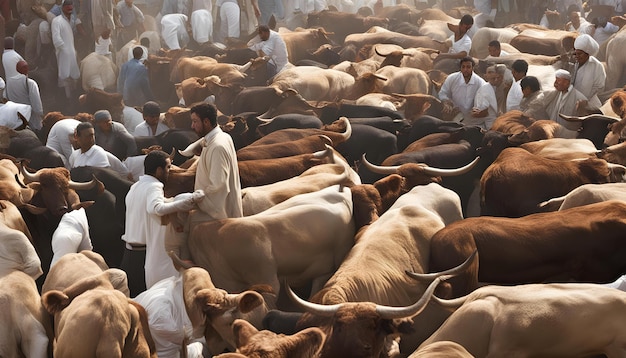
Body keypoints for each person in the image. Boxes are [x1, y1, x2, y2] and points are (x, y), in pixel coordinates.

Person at [121, 150, 204, 296]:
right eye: (168, 167)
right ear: (159, 171)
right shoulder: (154, 186)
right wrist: (189, 201)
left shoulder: (135, 187)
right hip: (143, 256)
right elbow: (156, 208)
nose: (170, 171)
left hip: (128, 255)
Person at [438, 56, 487, 123]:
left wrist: (477, 111)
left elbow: (484, 100)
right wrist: (446, 102)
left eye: (468, 67)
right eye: (463, 67)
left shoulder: (480, 82)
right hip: (454, 115)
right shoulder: (452, 78)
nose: (465, 69)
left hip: (472, 118)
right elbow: (443, 93)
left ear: (473, 68)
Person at [51, 0, 81, 106]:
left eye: (71, 6)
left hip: (72, 52)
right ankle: (65, 100)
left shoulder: (72, 19)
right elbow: (56, 38)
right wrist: (65, 50)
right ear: (62, 8)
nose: (69, 8)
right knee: (64, 77)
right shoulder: (57, 21)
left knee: (74, 76)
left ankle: (73, 99)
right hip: (63, 53)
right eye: (67, 6)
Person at [543, 69, 588, 136]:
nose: (555, 83)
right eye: (555, 80)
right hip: (556, 132)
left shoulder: (580, 98)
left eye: (558, 80)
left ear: (566, 82)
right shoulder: (558, 93)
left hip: (570, 135)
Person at [4, 60, 44, 130]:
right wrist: (40, 114)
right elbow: (36, 103)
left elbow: (5, 97)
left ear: (16, 69)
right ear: (28, 69)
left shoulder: (9, 82)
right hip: (30, 120)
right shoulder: (30, 83)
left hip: (15, 119)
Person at [572, 34, 605, 108]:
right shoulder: (572, 64)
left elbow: (599, 86)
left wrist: (585, 100)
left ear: (587, 54)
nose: (577, 56)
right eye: (575, 53)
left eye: (580, 54)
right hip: (571, 101)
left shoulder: (597, 65)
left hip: (589, 104)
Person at [471, 64, 506, 129]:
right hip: (490, 124)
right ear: (485, 76)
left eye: (493, 72)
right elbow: (481, 111)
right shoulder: (484, 90)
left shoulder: (503, 87)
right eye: (489, 72)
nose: (492, 74)